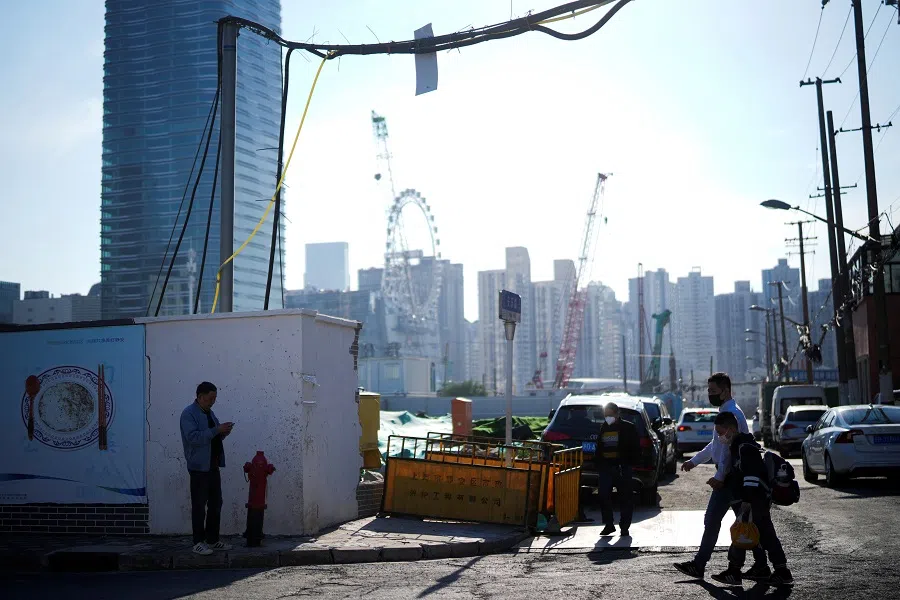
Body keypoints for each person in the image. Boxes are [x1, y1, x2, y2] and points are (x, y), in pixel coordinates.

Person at [674, 372, 767, 580]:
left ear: (726, 390)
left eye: (713, 391)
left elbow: (728, 451)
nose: (710, 394)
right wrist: (694, 461)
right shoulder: (726, 410)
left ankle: (714, 567)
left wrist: (720, 476)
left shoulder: (732, 413)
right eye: (709, 391)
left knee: (736, 523)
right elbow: (715, 446)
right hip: (728, 477)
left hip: (731, 478)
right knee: (733, 522)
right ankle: (759, 565)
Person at [709, 411, 793, 586]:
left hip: (754, 500)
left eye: (720, 432)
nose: (719, 436)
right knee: (757, 534)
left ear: (731, 429)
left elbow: (752, 476)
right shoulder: (740, 445)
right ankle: (772, 570)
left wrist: (747, 502)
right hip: (754, 499)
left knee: (751, 534)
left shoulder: (745, 448)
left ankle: (740, 571)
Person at [180, 381, 234, 556]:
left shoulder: (209, 413)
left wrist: (222, 433)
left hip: (213, 465)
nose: (213, 402)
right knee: (199, 505)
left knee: (216, 503)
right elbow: (193, 438)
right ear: (200, 397)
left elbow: (211, 437)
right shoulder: (189, 414)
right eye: (211, 398)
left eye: (215, 398)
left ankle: (212, 539)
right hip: (198, 468)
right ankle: (198, 541)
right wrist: (216, 430)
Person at [595, 402, 640, 536]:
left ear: (617, 413)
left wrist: (629, 464)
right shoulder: (604, 427)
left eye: (610, 414)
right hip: (606, 468)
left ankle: (624, 526)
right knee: (603, 495)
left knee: (625, 497)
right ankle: (609, 524)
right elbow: (600, 447)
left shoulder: (628, 427)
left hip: (622, 468)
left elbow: (635, 448)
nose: (608, 417)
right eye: (606, 415)